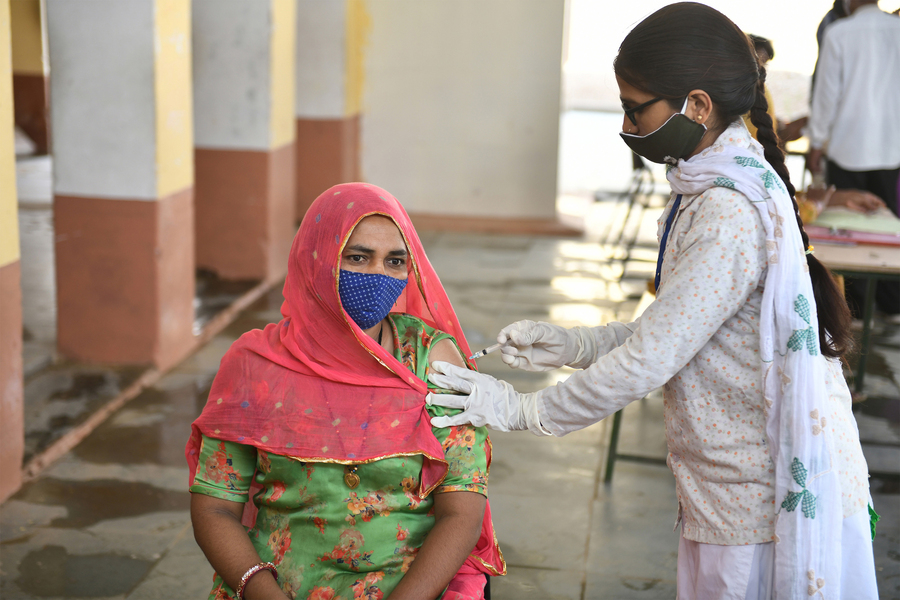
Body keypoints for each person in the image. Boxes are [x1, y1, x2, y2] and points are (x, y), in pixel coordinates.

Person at [427, 3, 878, 599]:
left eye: (635, 108)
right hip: (735, 490)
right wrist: (573, 345)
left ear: (698, 105)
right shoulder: (706, 181)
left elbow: (649, 360)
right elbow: (675, 327)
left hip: (758, 503)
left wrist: (522, 410)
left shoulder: (726, 209)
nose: (627, 125)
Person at [186, 183, 505, 600]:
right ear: (316, 258)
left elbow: (461, 510)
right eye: (357, 257)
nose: (377, 275)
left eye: (395, 261)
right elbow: (215, 506)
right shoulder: (256, 365)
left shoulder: (431, 359)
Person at [807, 0, 900, 316]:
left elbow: (826, 95)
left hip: (847, 147)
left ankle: (855, 310)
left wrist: (816, 143)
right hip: (891, 149)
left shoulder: (839, 32)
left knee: (846, 232)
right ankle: (892, 305)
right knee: (890, 229)